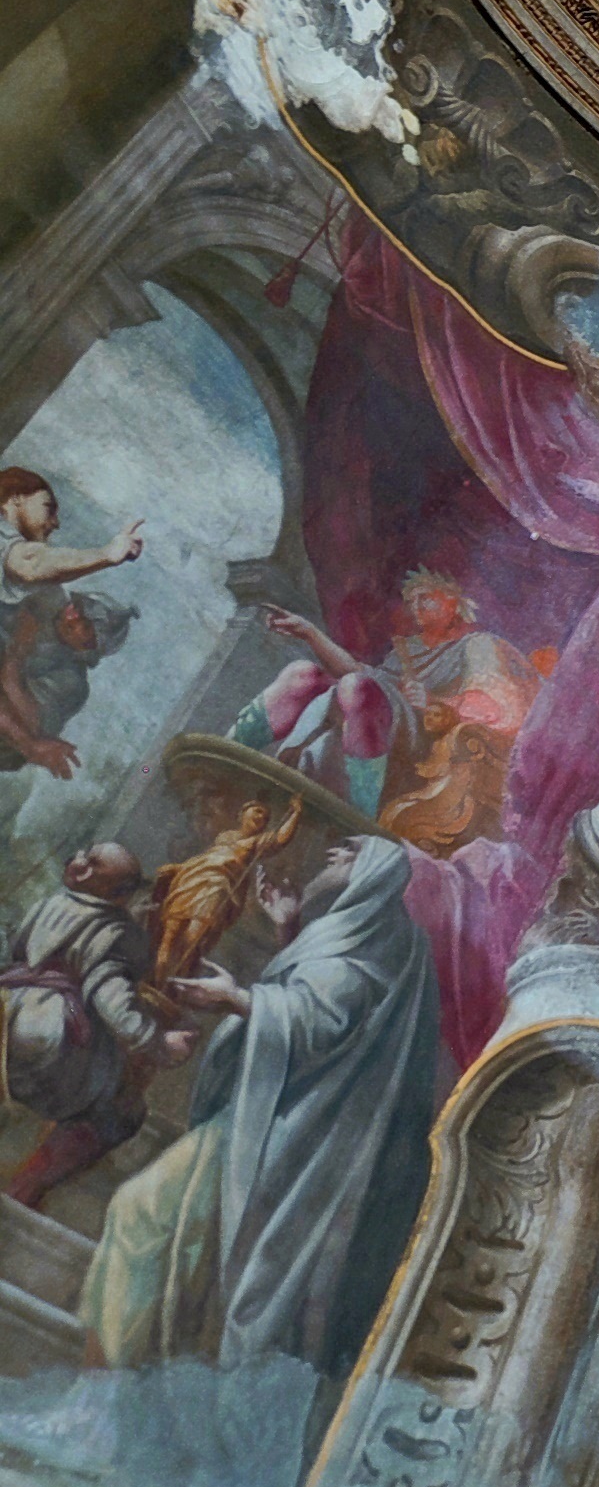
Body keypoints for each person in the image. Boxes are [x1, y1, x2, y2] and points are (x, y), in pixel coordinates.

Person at [79, 835, 439, 1389]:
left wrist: (235, 999)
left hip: (286, 1140)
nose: (330, 855)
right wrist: (287, 931)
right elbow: (318, 997)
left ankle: (99, 1396)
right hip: (265, 1118)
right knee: (167, 1236)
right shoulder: (360, 930)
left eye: (344, 852)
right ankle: (106, 1387)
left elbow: (322, 1021)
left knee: (138, 1212)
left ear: (371, 873)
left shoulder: (378, 939)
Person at [234, 575, 550, 849]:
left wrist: (436, 702)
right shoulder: (406, 652)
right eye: (412, 602)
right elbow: (363, 673)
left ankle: (359, 814)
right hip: (380, 712)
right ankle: (234, 753)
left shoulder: (477, 645)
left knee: (357, 687)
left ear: (453, 603)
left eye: (427, 599)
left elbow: (499, 704)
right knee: (303, 673)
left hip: (427, 736)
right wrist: (309, 633)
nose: (416, 607)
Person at [2, 841, 193, 1210]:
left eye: (92, 866)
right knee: (118, 1111)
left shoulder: (51, 903)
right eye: (82, 857)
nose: (77, 865)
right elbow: (111, 999)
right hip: (45, 1031)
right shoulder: (120, 934)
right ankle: (25, 1190)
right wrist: (157, 1042)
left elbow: (19, 949)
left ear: (118, 891)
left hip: (8, 1002)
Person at [0, 471, 143, 783]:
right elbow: (29, 562)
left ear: (91, 648)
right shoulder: (37, 588)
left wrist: (14, 659)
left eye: (86, 622)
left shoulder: (68, 679)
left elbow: (26, 726)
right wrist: (106, 554)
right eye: (48, 507)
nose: (73, 613)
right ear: (16, 499)